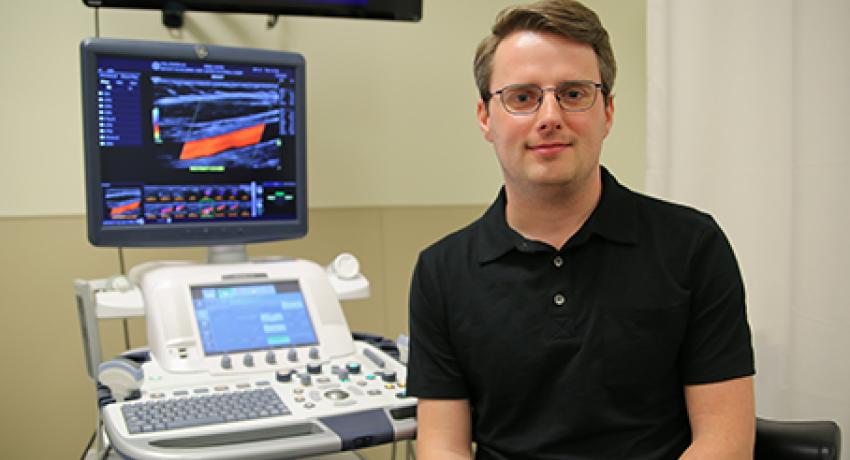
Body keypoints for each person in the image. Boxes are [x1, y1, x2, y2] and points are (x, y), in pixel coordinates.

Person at [405, 1, 756, 459]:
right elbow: (442, 448)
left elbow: (724, 442)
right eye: (523, 97)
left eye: (573, 94)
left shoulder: (693, 246)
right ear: (486, 117)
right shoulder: (441, 272)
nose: (549, 116)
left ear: (607, 111)